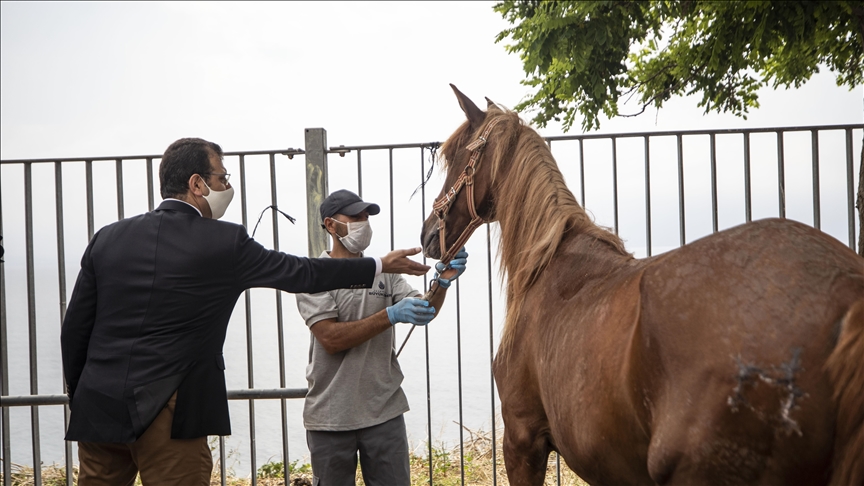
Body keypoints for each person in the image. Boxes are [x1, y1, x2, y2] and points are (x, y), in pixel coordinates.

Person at [60, 138, 430, 486]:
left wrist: (82, 395)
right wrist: (379, 265)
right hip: (168, 410)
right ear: (197, 184)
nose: (227, 186)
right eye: (222, 177)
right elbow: (303, 273)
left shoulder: (107, 237)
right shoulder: (223, 241)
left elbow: (75, 329)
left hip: (98, 407)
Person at [295, 189, 468, 485]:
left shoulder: (385, 274)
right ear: (331, 225)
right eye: (355, 217)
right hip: (330, 417)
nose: (363, 224)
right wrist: (390, 315)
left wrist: (441, 282)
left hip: (384, 412)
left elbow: (425, 310)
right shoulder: (314, 276)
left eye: (366, 217)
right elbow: (331, 339)